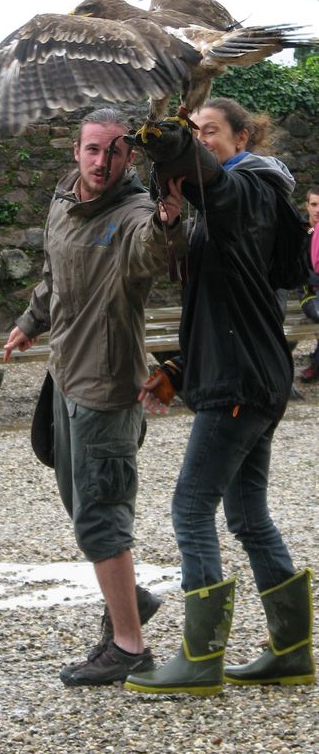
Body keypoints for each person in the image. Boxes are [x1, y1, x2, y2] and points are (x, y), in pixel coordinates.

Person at [123, 97, 315, 695]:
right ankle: (290, 651)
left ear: (242, 137)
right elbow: (227, 307)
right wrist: (181, 367)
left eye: (211, 130)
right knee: (248, 515)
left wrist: (171, 137)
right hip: (249, 374)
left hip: (239, 382)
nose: (203, 139)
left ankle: (200, 658)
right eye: (196, 130)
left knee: (190, 506)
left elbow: (211, 180)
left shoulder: (248, 190)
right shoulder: (233, 202)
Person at [3, 106, 188, 687]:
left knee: (102, 518)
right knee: (81, 505)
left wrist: (169, 220)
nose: (101, 161)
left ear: (129, 156)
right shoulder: (64, 199)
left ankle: (129, 647)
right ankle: (132, 597)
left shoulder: (133, 214)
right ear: (75, 151)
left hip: (107, 387)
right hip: (64, 375)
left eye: (114, 150)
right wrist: (31, 322)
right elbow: (53, 275)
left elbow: (153, 250)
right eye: (92, 148)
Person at [298, 186, 319, 383]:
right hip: (308, 293)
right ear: (307, 206)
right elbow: (302, 272)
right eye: (314, 204)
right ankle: (316, 364)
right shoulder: (301, 231)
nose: (318, 209)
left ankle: (316, 362)